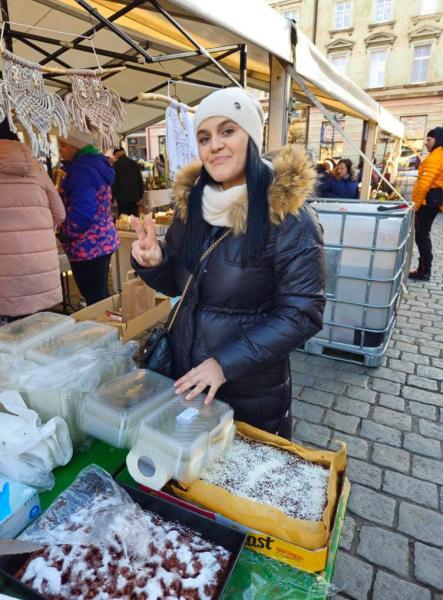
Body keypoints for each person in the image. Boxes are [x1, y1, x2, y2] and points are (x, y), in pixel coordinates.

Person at [130, 87, 326, 439]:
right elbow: (180, 287)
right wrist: (156, 262)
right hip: (186, 379)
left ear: (250, 135)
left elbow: (302, 313)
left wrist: (224, 364)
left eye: (227, 131)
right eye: (204, 137)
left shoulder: (290, 219)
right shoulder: (192, 208)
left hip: (249, 391)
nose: (214, 145)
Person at [0, 118, 66, 320]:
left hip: (6, 274)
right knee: (37, 336)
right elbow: (60, 215)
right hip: (40, 269)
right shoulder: (36, 168)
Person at [58, 128, 120, 306]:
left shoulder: (81, 169)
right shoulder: (94, 164)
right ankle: (109, 328)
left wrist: (67, 232)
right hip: (101, 239)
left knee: (95, 301)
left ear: (75, 147)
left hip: (87, 245)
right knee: (100, 296)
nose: (61, 149)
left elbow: (83, 211)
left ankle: (103, 331)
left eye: (63, 145)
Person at [409, 127, 443, 281]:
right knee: (424, 236)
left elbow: (424, 183)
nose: (425, 143)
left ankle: (424, 271)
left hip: (426, 203)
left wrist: (415, 205)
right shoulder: (438, 155)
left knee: (422, 236)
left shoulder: (436, 156)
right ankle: (425, 269)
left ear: (437, 140)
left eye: (429, 139)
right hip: (432, 202)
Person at [112, 147, 144, 216]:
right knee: (134, 220)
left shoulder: (116, 164)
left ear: (117, 154)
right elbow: (140, 180)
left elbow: (115, 182)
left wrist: (112, 197)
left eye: (115, 156)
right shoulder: (134, 164)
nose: (115, 158)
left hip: (122, 198)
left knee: (124, 221)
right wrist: (140, 195)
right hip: (134, 197)